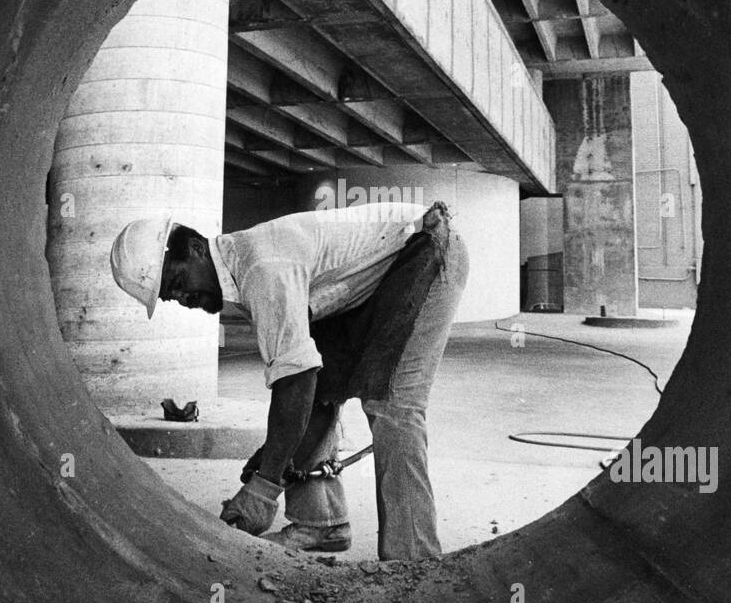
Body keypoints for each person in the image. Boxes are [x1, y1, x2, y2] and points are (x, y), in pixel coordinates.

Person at [109, 201, 469, 560]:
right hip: (370, 280)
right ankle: (321, 523)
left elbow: (295, 383)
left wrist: (265, 486)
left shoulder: (262, 269)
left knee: (391, 404)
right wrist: (273, 457)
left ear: (196, 248)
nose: (183, 298)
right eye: (170, 296)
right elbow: (307, 389)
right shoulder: (246, 267)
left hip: (423, 249)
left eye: (177, 281)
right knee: (324, 387)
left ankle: (414, 562)